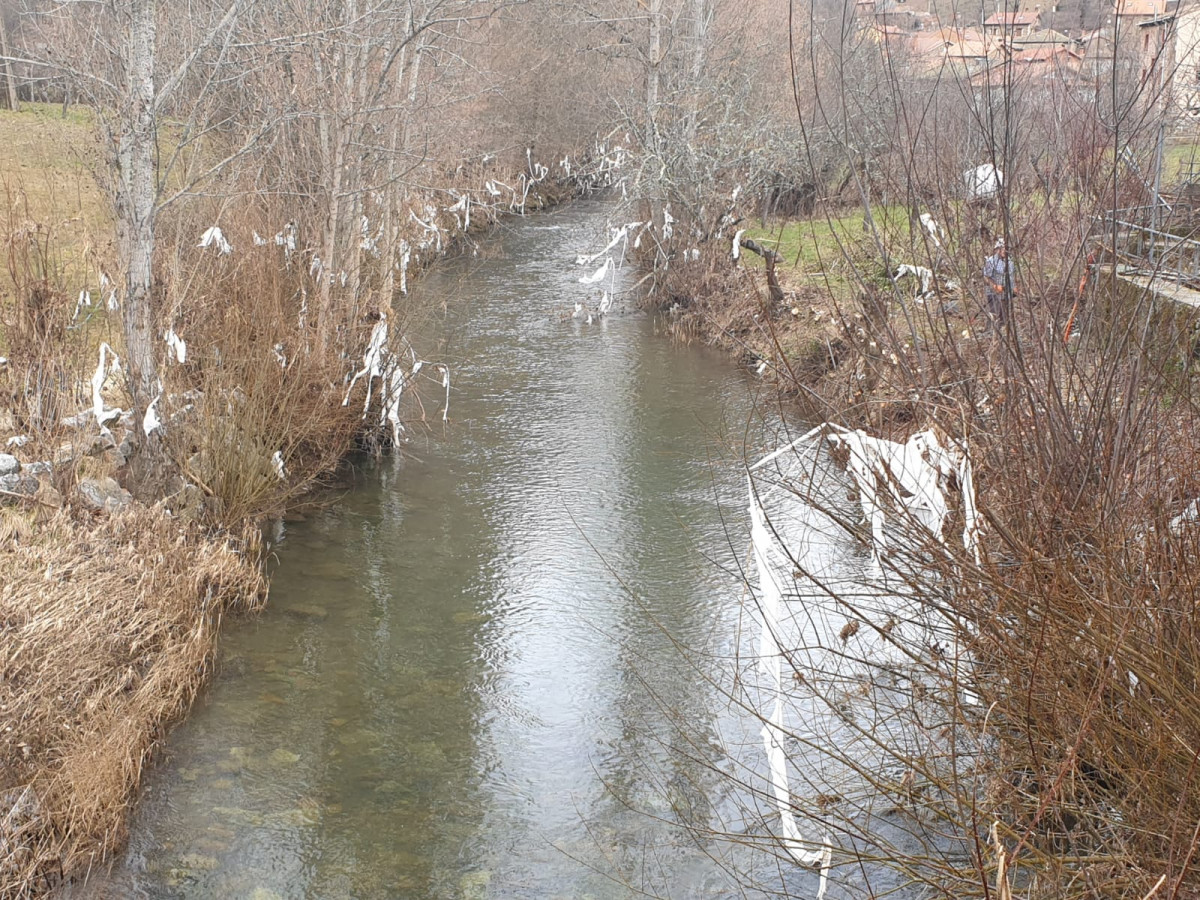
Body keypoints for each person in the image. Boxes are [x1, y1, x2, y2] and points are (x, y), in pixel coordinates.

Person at [982, 237, 1015, 332]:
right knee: (994, 314)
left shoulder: (1010, 262)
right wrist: (995, 286)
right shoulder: (991, 261)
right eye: (1003, 248)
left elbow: (1011, 276)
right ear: (997, 249)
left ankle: (1002, 334)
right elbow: (986, 277)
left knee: (1004, 316)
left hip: (1006, 293)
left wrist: (1014, 287)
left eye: (1006, 248)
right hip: (993, 294)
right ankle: (991, 332)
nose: (1005, 251)